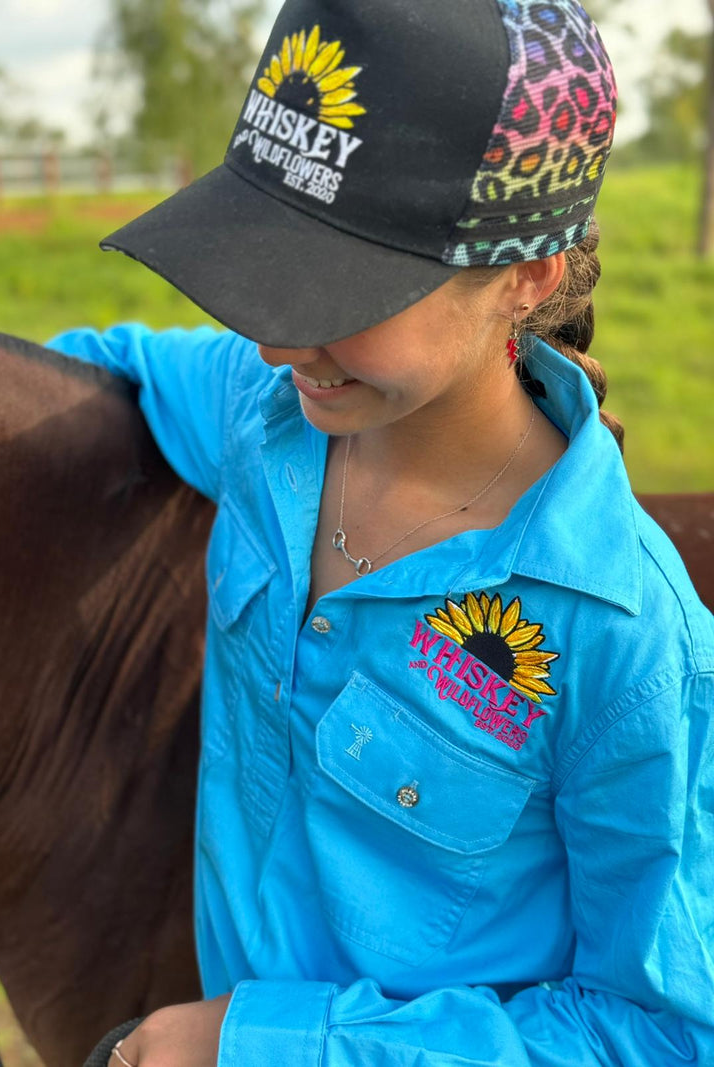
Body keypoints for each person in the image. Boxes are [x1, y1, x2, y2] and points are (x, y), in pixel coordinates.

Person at [49, 0, 714, 1063]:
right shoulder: (262, 419)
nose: (275, 339)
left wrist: (263, 1043)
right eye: (264, 268)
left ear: (526, 276)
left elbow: (654, 1031)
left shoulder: (624, 643)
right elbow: (80, 370)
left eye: (341, 287)